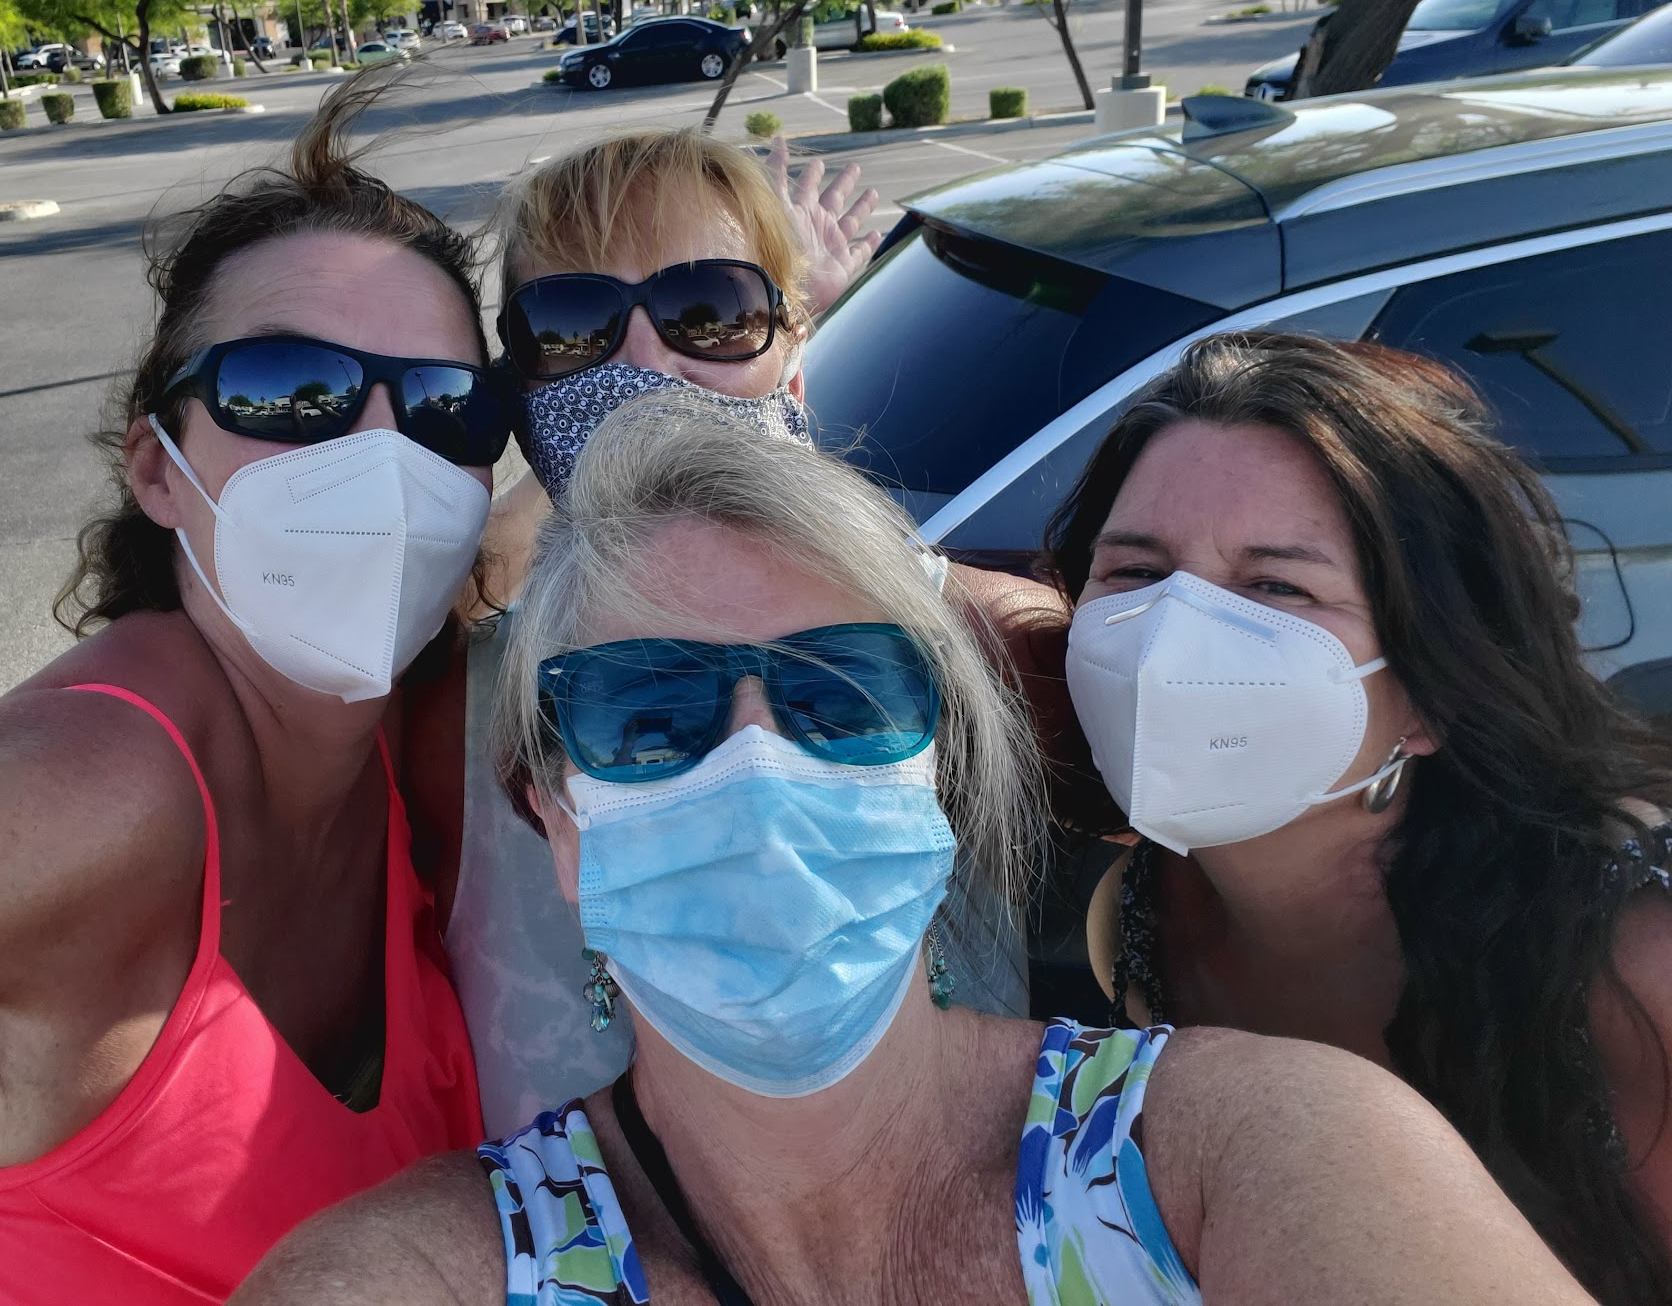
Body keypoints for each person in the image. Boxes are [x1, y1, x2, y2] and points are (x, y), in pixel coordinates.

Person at [235, 394, 1595, 1306]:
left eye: (844, 698)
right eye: (649, 717)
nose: (758, 763)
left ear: (938, 772)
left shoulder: (1248, 1154)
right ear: (552, 812)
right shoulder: (422, 1273)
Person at [0, 85, 503, 1301]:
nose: (385, 456)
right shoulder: (77, 806)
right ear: (157, 469)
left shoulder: (404, 727)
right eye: (291, 391)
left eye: (447, 406)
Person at [421, 129, 1077, 1131]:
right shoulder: (450, 701)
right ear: (522, 397)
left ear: (796, 367)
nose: (645, 365)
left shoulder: (953, 642)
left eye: (711, 313)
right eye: (572, 325)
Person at [1053, 332, 1672, 1302]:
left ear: (1435, 690)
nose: (1170, 644)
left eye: (1276, 588)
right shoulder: (1111, 911)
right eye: (1135, 572)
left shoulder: (1625, 954)